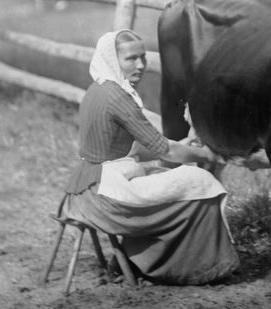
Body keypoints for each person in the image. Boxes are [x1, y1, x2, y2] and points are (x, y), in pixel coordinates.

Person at [61, 29, 239, 284]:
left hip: (87, 186)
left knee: (170, 176)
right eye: (131, 59)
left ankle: (142, 259)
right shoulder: (119, 98)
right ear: (113, 60)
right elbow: (164, 151)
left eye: (143, 57)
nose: (141, 65)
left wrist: (180, 144)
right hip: (106, 197)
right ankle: (198, 267)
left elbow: (129, 147)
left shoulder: (97, 88)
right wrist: (207, 153)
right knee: (200, 180)